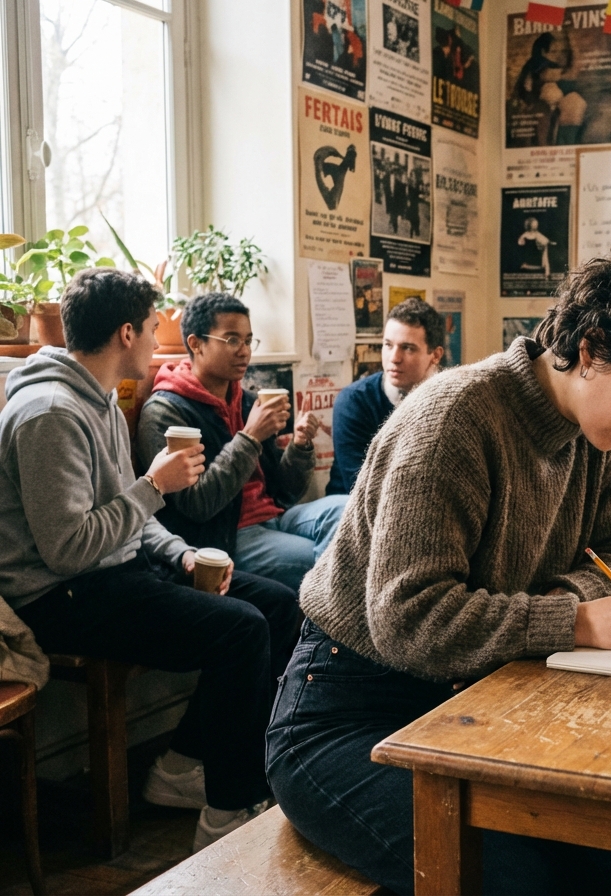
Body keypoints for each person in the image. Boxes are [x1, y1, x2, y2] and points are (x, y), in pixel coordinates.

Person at [265, 250, 611, 895]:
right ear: (590, 351)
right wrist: (574, 620)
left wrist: (563, 609)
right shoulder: (452, 419)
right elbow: (409, 622)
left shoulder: (591, 433)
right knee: (514, 879)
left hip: (475, 697)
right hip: (347, 713)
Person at [0, 269, 298, 852]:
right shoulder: (50, 413)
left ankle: (183, 765)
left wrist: (183, 554)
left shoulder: (101, 398)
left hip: (112, 570)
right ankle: (228, 809)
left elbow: (131, 518)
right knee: (238, 631)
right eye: (156, 326)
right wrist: (154, 486)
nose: (162, 336)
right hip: (58, 594)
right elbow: (68, 550)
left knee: (278, 604)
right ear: (128, 332)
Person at [136, 293, 348, 594]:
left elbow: (285, 491)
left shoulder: (247, 401)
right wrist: (249, 438)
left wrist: (300, 447)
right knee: (329, 559)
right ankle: (332, 627)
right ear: (196, 344)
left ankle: (331, 617)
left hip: (275, 517)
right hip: (228, 535)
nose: (244, 351)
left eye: (249, 340)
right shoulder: (167, 412)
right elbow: (197, 506)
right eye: (232, 340)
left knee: (348, 509)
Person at [327, 298, 445, 495]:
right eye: (388, 345)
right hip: (351, 509)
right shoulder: (354, 401)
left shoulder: (451, 398)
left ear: (435, 355)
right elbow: (362, 490)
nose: (394, 358)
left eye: (407, 348)